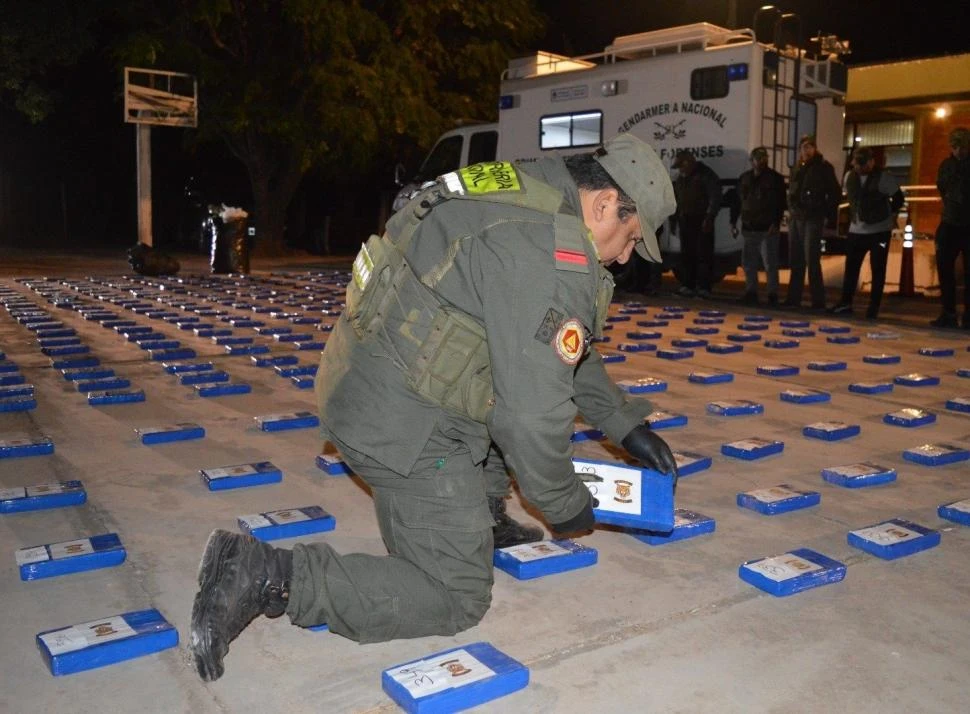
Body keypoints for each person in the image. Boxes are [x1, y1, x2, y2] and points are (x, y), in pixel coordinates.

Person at [188, 134, 681, 682]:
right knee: (455, 594)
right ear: (605, 204)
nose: (624, 255)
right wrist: (563, 503)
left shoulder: (522, 188)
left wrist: (623, 423)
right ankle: (265, 573)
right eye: (631, 237)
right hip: (403, 426)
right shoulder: (547, 250)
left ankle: (481, 516)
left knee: (510, 371)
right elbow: (531, 415)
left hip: (367, 379)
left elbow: (550, 343)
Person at [828, 147, 903, 319]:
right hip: (856, 231)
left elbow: (899, 198)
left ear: (871, 162)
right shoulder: (850, 176)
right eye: (857, 164)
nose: (860, 168)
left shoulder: (884, 177)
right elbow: (849, 199)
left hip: (879, 231)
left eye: (863, 164)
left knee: (878, 268)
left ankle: (873, 307)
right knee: (851, 268)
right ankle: (845, 303)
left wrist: (889, 214)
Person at [784, 135, 841, 309]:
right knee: (796, 260)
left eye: (809, 147)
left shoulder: (823, 167)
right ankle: (793, 299)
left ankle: (818, 301)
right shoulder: (797, 167)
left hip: (813, 218)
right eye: (803, 147)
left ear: (815, 148)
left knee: (812, 260)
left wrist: (826, 216)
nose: (806, 150)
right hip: (796, 218)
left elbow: (835, 194)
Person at [730, 147, 787, 306]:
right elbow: (737, 202)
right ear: (752, 161)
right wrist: (732, 222)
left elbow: (780, 203)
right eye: (759, 158)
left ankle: (772, 295)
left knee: (770, 264)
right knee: (749, 263)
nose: (762, 161)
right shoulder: (744, 178)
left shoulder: (775, 178)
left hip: (767, 228)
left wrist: (776, 223)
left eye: (764, 158)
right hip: (749, 227)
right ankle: (751, 292)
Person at [930, 127, 970, 328]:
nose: (959, 150)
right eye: (955, 146)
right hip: (950, 222)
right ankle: (948, 312)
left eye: (962, 146)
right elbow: (943, 188)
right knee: (945, 270)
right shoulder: (947, 165)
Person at [671, 149, 722, 298]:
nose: (680, 170)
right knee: (687, 255)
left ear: (688, 163)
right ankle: (688, 286)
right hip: (685, 220)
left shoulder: (706, 175)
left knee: (703, 255)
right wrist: (674, 220)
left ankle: (704, 288)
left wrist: (710, 217)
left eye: (681, 166)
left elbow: (715, 196)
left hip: (701, 220)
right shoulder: (682, 178)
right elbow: (677, 200)